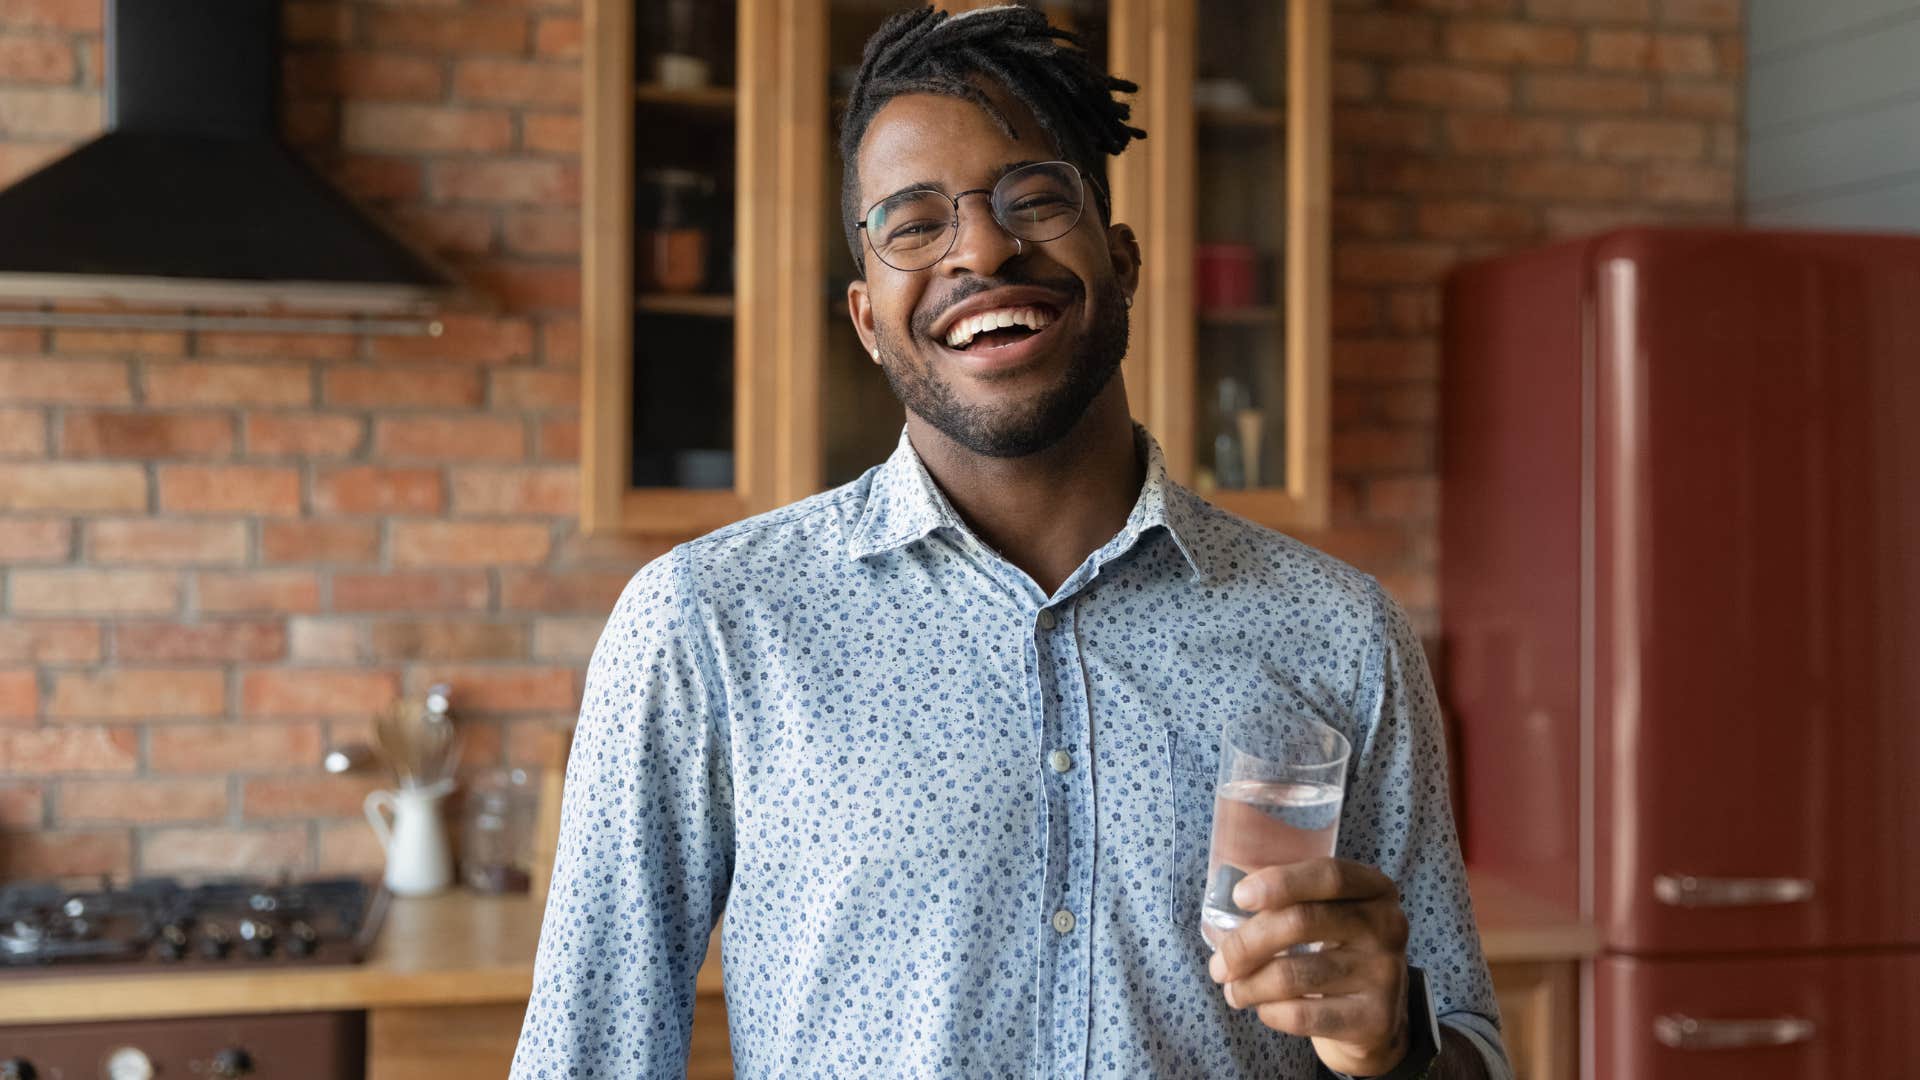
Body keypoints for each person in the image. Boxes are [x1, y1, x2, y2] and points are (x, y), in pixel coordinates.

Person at [512, 6, 1508, 1078]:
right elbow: (586, 1057)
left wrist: (1390, 1042)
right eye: (912, 224)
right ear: (865, 316)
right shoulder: (706, 624)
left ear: (1121, 261)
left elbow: (1470, 1049)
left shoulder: (1339, 635)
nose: (983, 247)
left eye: (1036, 199)